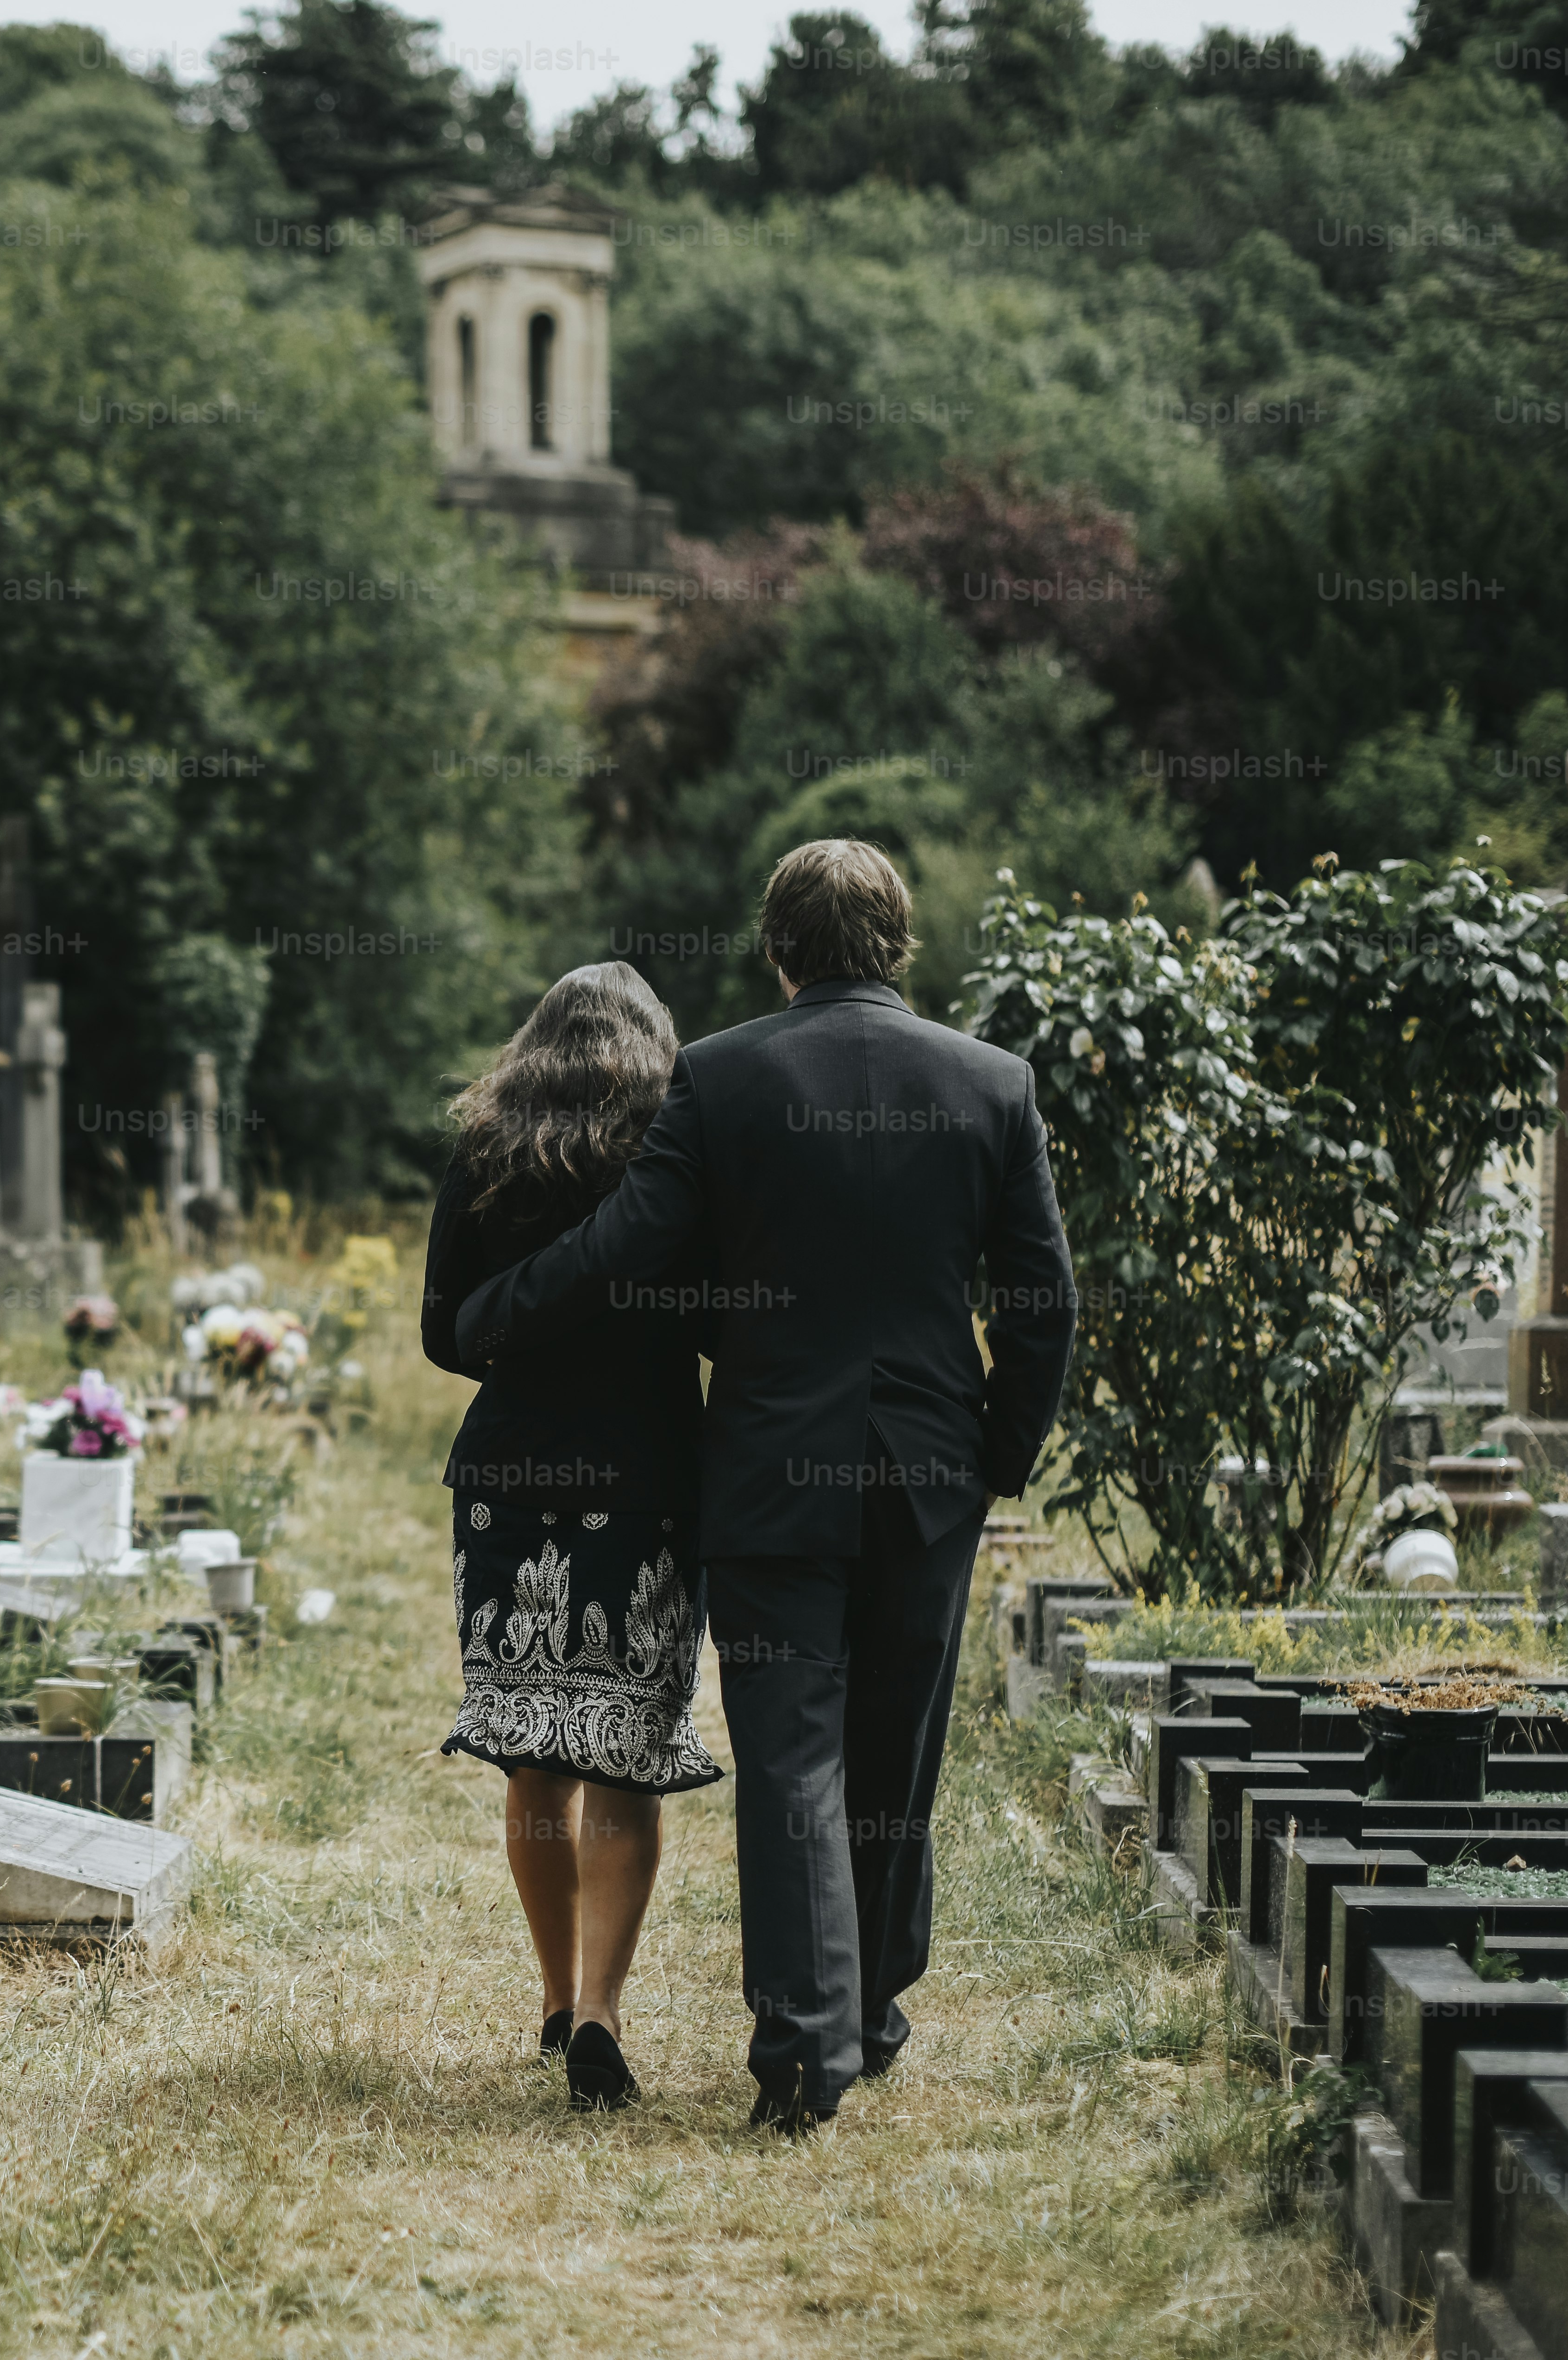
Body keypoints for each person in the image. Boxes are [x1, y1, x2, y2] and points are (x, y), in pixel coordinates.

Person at [454, 842, 1074, 2134]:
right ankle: (870, 2011)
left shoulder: (722, 1078)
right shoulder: (991, 1084)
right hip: (925, 1475)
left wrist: (491, 1312)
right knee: (893, 1756)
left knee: (787, 1755)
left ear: (776, 948)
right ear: (897, 942)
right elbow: (1040, 1305)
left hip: (767, 1473)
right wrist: (993, 1457)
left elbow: (626, 1242)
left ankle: (800, 2055)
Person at [421, 961, 720, 2112]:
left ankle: (552, 1999)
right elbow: (711, 1319)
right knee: (625, 1756)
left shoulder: (490, 1146)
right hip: (644, 1477)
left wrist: (527, 1333)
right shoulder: (674, 1155)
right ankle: (602, 2010)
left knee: (532, 1756)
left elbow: (445, 1331)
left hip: (506, 1477)